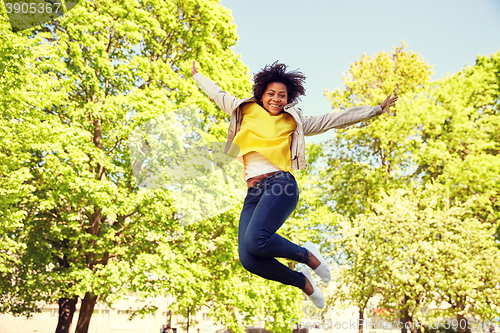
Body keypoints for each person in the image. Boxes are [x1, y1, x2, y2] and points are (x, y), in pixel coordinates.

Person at [191, 60, 397, 308]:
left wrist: (376, 109)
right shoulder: (242, 110)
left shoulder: (294, 122)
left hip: (280, 184)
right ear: (261, 94)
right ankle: (302, 282)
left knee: (256, 239)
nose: (276, 99)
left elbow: (334, 119)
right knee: (249, 259)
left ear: (288, 99)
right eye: (271, 94)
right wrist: (197, 76)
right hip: (254, 193)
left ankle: (307, 255)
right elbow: (218, 95)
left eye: (282, 95)